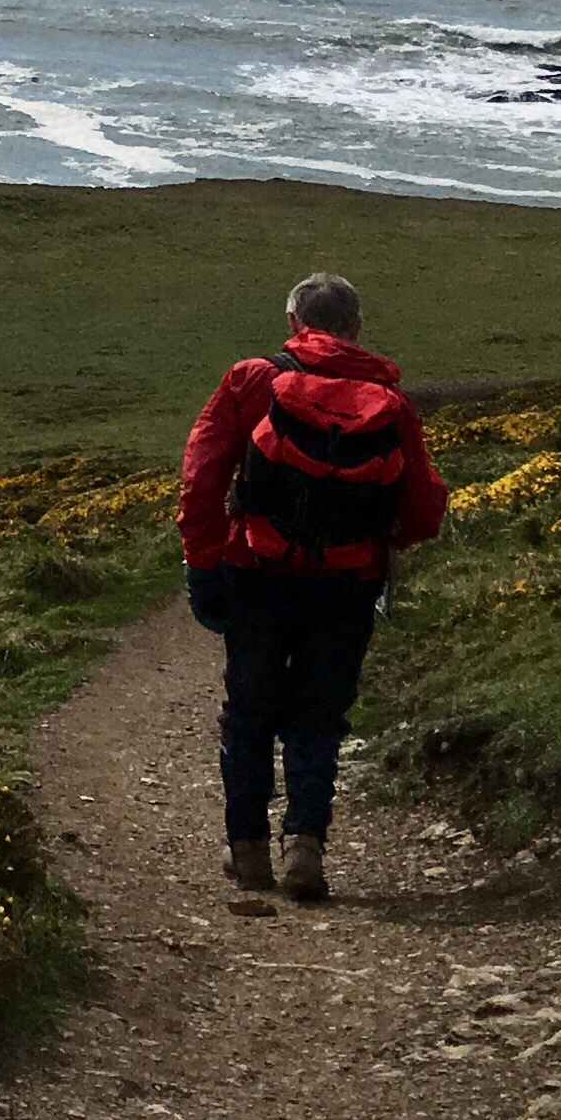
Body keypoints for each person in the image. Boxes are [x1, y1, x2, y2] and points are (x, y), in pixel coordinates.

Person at [177, 273, 449, 903]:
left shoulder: (251, 379)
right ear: (357, 328)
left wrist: (203, 562)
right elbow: (424, 506)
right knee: (319, 715)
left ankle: (247, 850)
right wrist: (380, 544)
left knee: (249, 711)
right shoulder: (392, 403)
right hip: (348, 582)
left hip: (255, 570)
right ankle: (305, 846)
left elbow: (201, 477)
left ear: (294, 321)